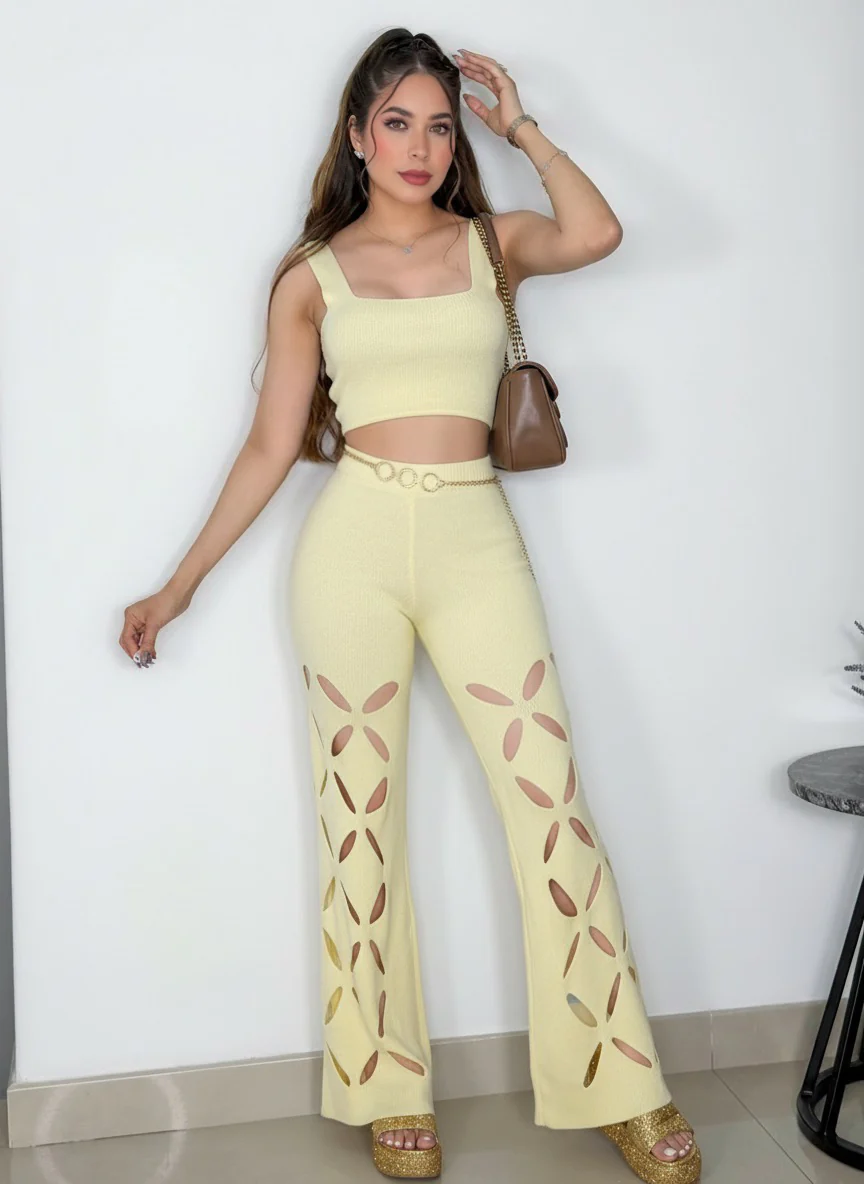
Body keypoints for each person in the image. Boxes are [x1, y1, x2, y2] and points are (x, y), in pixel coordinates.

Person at [119, 27, 701, 1184]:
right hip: (353, 548)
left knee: (551, 803)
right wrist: (178, 584)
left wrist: (520, 125)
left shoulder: (492, 242)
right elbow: (269, 447)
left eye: (438, 125)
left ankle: (621, 1085)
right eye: (398, 123)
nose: (421, 146)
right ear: (356, 135)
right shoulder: (311, 276)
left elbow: (597, 232)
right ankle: (388, 1086)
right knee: (359, 821)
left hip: (477, 535)